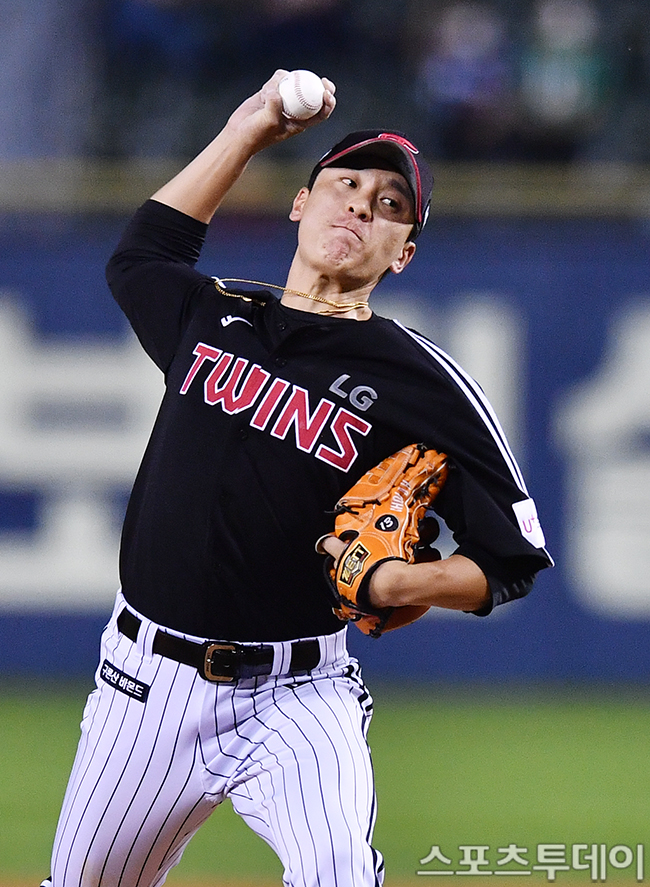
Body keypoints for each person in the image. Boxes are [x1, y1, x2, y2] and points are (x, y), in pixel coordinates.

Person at [41, 70, 552, 887]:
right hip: (145, 683)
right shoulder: (215, 315)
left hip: (299, 692)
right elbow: (142, 254)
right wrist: (246, 130)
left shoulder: (426, 384)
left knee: (339, 873)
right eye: (344, 184)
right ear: (300, 204)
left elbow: (512, 559)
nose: (361, 205)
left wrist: (400, 583)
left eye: (390, 203)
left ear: (404, 253)